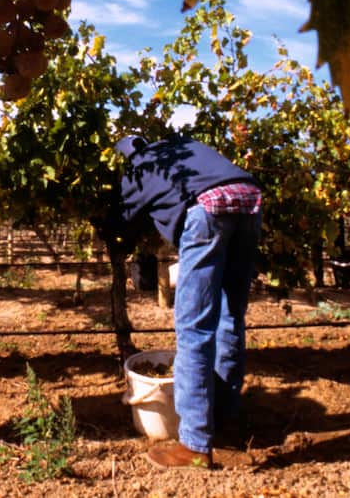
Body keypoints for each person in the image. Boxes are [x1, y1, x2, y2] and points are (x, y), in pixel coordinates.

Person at [111, 134, 263, 469]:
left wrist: (110, 226)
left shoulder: (139, 168)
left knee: (194, 328)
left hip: (208, 208)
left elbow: (121, 220)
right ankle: (224, 422)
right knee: (229, 317)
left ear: (128, 156)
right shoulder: (184, 147)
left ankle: (194, 443)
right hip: (249, 198)